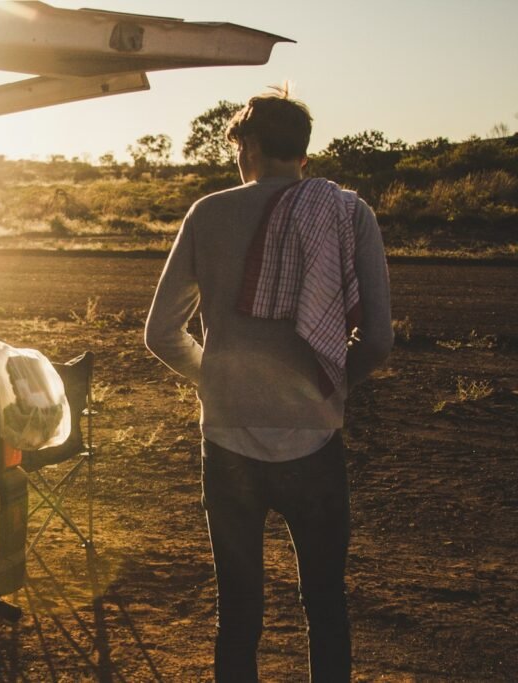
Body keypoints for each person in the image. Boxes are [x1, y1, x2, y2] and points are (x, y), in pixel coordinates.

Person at [144, 90, 393, 682]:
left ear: (247, 146)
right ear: (303, 152)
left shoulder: (209, 213)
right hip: (315, 439)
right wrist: (327, 389)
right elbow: (378, 340)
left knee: (238, 612)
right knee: (327, 605)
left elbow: (161, 333)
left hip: (229, 441)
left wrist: (219, 381)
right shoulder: (347, 212)